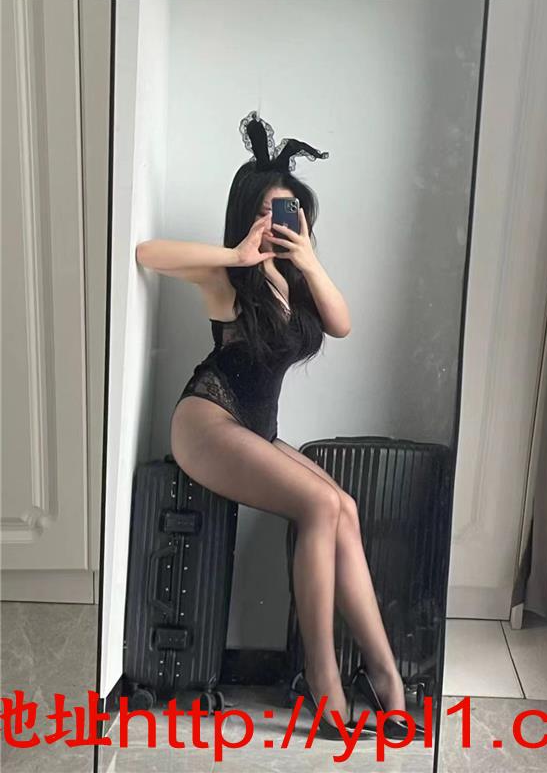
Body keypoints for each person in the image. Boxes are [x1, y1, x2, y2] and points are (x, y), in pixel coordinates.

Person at [136, 111, 409, 740]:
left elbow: (342, 324)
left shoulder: (296, 279)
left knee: (343, 507)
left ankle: (384, 676)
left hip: (254, 430)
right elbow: (148, 254)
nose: (279, 222)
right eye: (268, 212)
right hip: (207, 421)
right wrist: (237, 252)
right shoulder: (227, 277)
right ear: (246, 216)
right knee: (320, 505)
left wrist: (308, 259)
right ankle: (322, 682)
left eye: (289, 212)